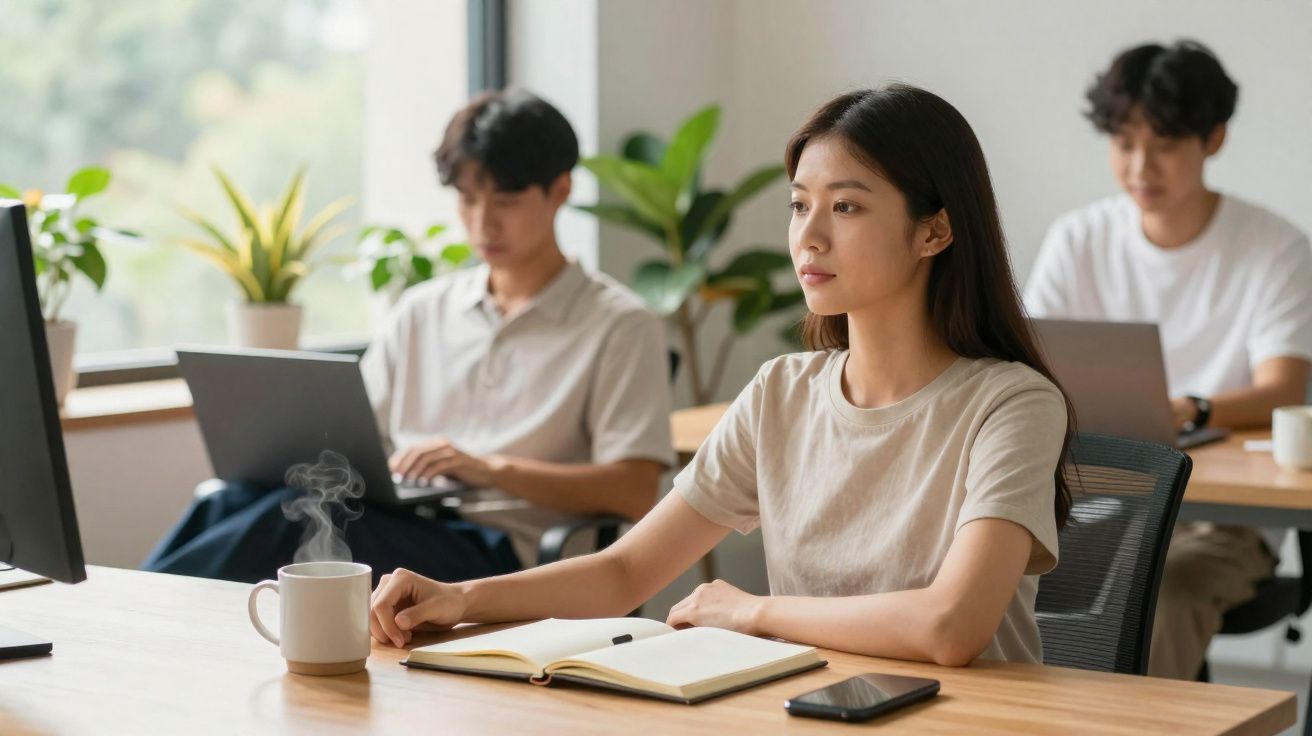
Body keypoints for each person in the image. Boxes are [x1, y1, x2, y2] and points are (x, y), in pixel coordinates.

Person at [367, 84, 1076, 667]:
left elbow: (949, 627)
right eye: (800, 204)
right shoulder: (781, 394)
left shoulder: (1011, 404)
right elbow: (624, 572)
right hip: (812, 708)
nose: (809, 234)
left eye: (847, 206)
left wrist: (752, 612)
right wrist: (463, 599)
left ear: (934, 232)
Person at [143, 90, 675, 584]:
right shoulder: (423, 311)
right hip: (400, 520)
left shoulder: (619, 325)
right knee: (232, 500)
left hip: (503, 556)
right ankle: (135, 617)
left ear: (560, 190)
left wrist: (489, 469)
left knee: (297, 523)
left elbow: (632, 490)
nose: (482, 222)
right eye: (466, 200)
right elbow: (353, 441)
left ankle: (137, 621)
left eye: (505, 201)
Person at [1024, 41, 1312, 679]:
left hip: (1225, 523)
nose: (1139, 167)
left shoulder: (1274, 248)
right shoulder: (1080, 238)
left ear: (1213, 140)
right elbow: (1030, 361)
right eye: (1124, 144)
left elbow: (1284, 384)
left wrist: (1197, 408)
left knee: (1166, 591)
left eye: (1164, 146)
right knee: (1005, 576)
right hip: (1097, 499)